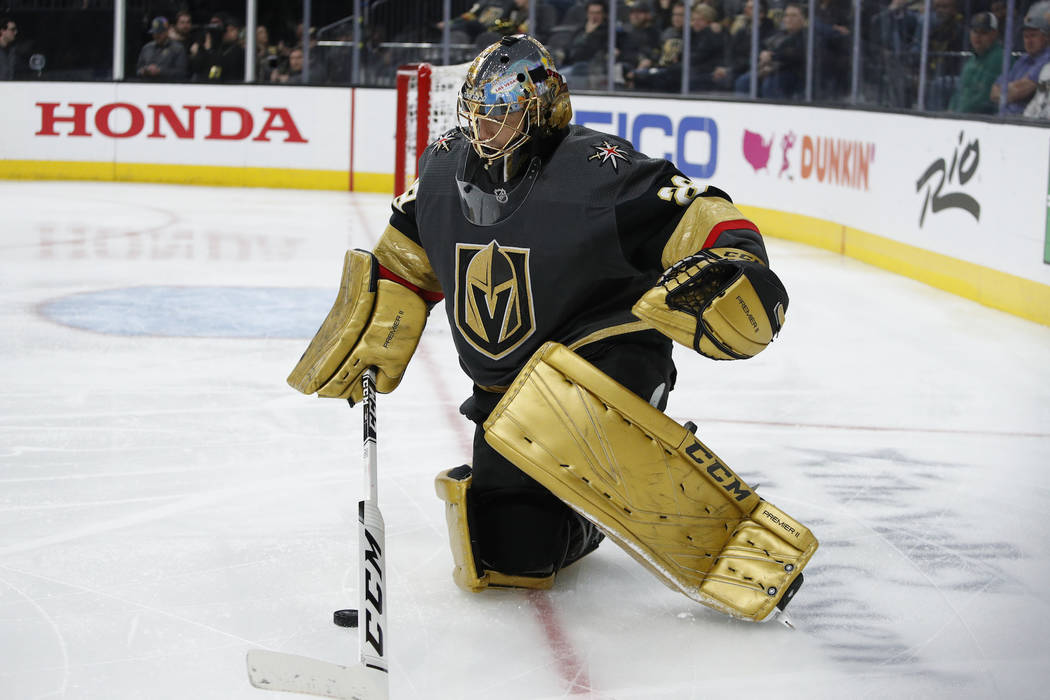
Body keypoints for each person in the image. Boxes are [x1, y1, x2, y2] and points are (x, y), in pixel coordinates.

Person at [287, 34, 817, 622]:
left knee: (567, 413)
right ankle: (584, 514)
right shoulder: (441, 168)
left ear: (542, 108)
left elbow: (706, 216)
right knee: (508, 556)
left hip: (605, 365)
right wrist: (378, 314)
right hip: (507, 397)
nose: (485, 129)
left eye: (501, 113)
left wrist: (733, 262)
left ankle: (705, 520)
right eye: (477, 115)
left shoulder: (601, 173)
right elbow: (405, 260)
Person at [734, 1, 806, 99]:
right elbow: (761, 45)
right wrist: (762, 54)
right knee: (743, 81)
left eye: (793, 16)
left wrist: (772, 57)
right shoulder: (778, 34)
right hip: (767, 69)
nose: (789, 19)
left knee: (770, 84)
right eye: (786, 16)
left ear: (803, 18)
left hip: (790, 72)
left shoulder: (805, 36)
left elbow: (795, 54)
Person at [992, 5, 1050, 115]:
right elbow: (993, 91)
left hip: (1024, 120)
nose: (1029, 41)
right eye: (1026, 36)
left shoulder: (1047, 59)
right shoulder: (1023, 59)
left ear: (1046, 37)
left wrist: (1007, 91)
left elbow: (1020, 91)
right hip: (1004, 117)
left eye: (1033, 36)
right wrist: (1009, 91)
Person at [948, 12, 1003, 114]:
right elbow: (959, 90)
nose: (977, 36)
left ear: (994, 34)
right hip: (961, 117)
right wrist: (951, 110)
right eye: (975, 31)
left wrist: (959, 112)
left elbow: (985, 97)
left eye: (983, 32)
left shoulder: (999, 58)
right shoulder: (973, 58)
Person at [136, 17, 189, 82]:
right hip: (147, 85)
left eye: (160, 33)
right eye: (155, 33)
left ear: (167, 31)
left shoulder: (178, 49)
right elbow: (138, 70)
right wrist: (144, 70)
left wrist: (160, 71)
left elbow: (181, 73)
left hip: (169, 86)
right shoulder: (147, 48)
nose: (157, 36)